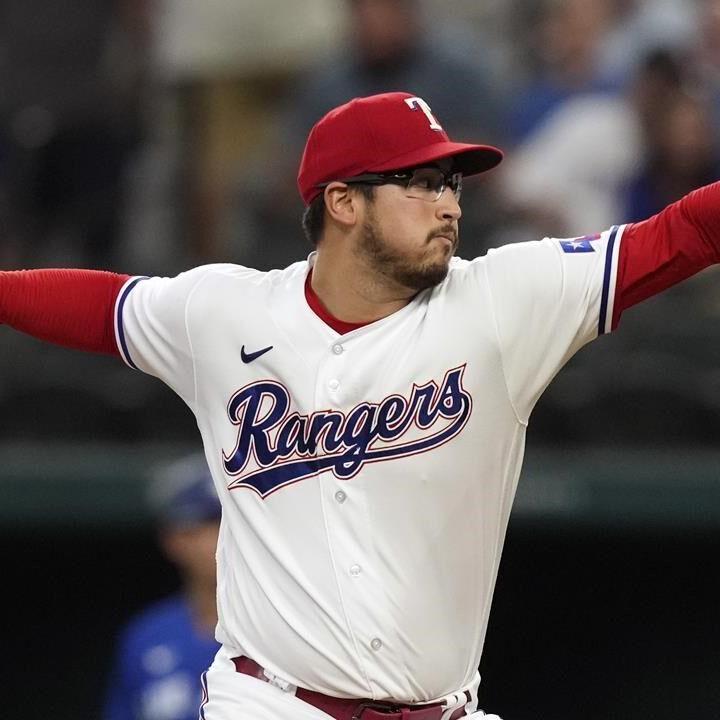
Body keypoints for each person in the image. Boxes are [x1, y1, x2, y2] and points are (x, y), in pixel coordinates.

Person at [1, 90, 719, 720]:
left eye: (452, 184)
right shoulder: (225, 312)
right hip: (269, 702)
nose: (448, 204)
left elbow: (680, 235)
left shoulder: (504, 301)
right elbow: (101, 306)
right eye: (419, 182)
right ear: (343, 201)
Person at [104, 453, 221, 720]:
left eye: (228, 522)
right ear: (173, 540)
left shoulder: (287, 629)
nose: (220, 539)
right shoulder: (147, 636)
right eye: (204, 527)